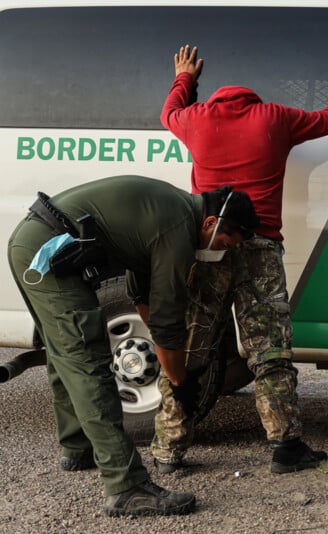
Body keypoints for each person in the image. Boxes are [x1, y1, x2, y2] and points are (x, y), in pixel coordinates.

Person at [157, 44, 328, 474]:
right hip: (260, 247)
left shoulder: (194, 118)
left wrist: (184, 78)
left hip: (211, 245)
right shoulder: (274, 117)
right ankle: (285, 447)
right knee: (269, 351)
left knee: (192, 347)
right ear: (252, 98)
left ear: (214, 98)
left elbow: (168, 113)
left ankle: (168, 450)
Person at [7, 175, 258, 516]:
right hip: (47, 252)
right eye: (224, 244)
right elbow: (169, 325)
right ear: (211, 223)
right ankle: (126, 486)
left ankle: (77, 446)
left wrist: (168, 354)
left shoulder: (173, 209)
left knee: (62, 350)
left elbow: (143, 297)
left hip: (35, 240)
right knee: (88, 360)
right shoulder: (178, 232)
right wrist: (180, 382)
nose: (219, 251)